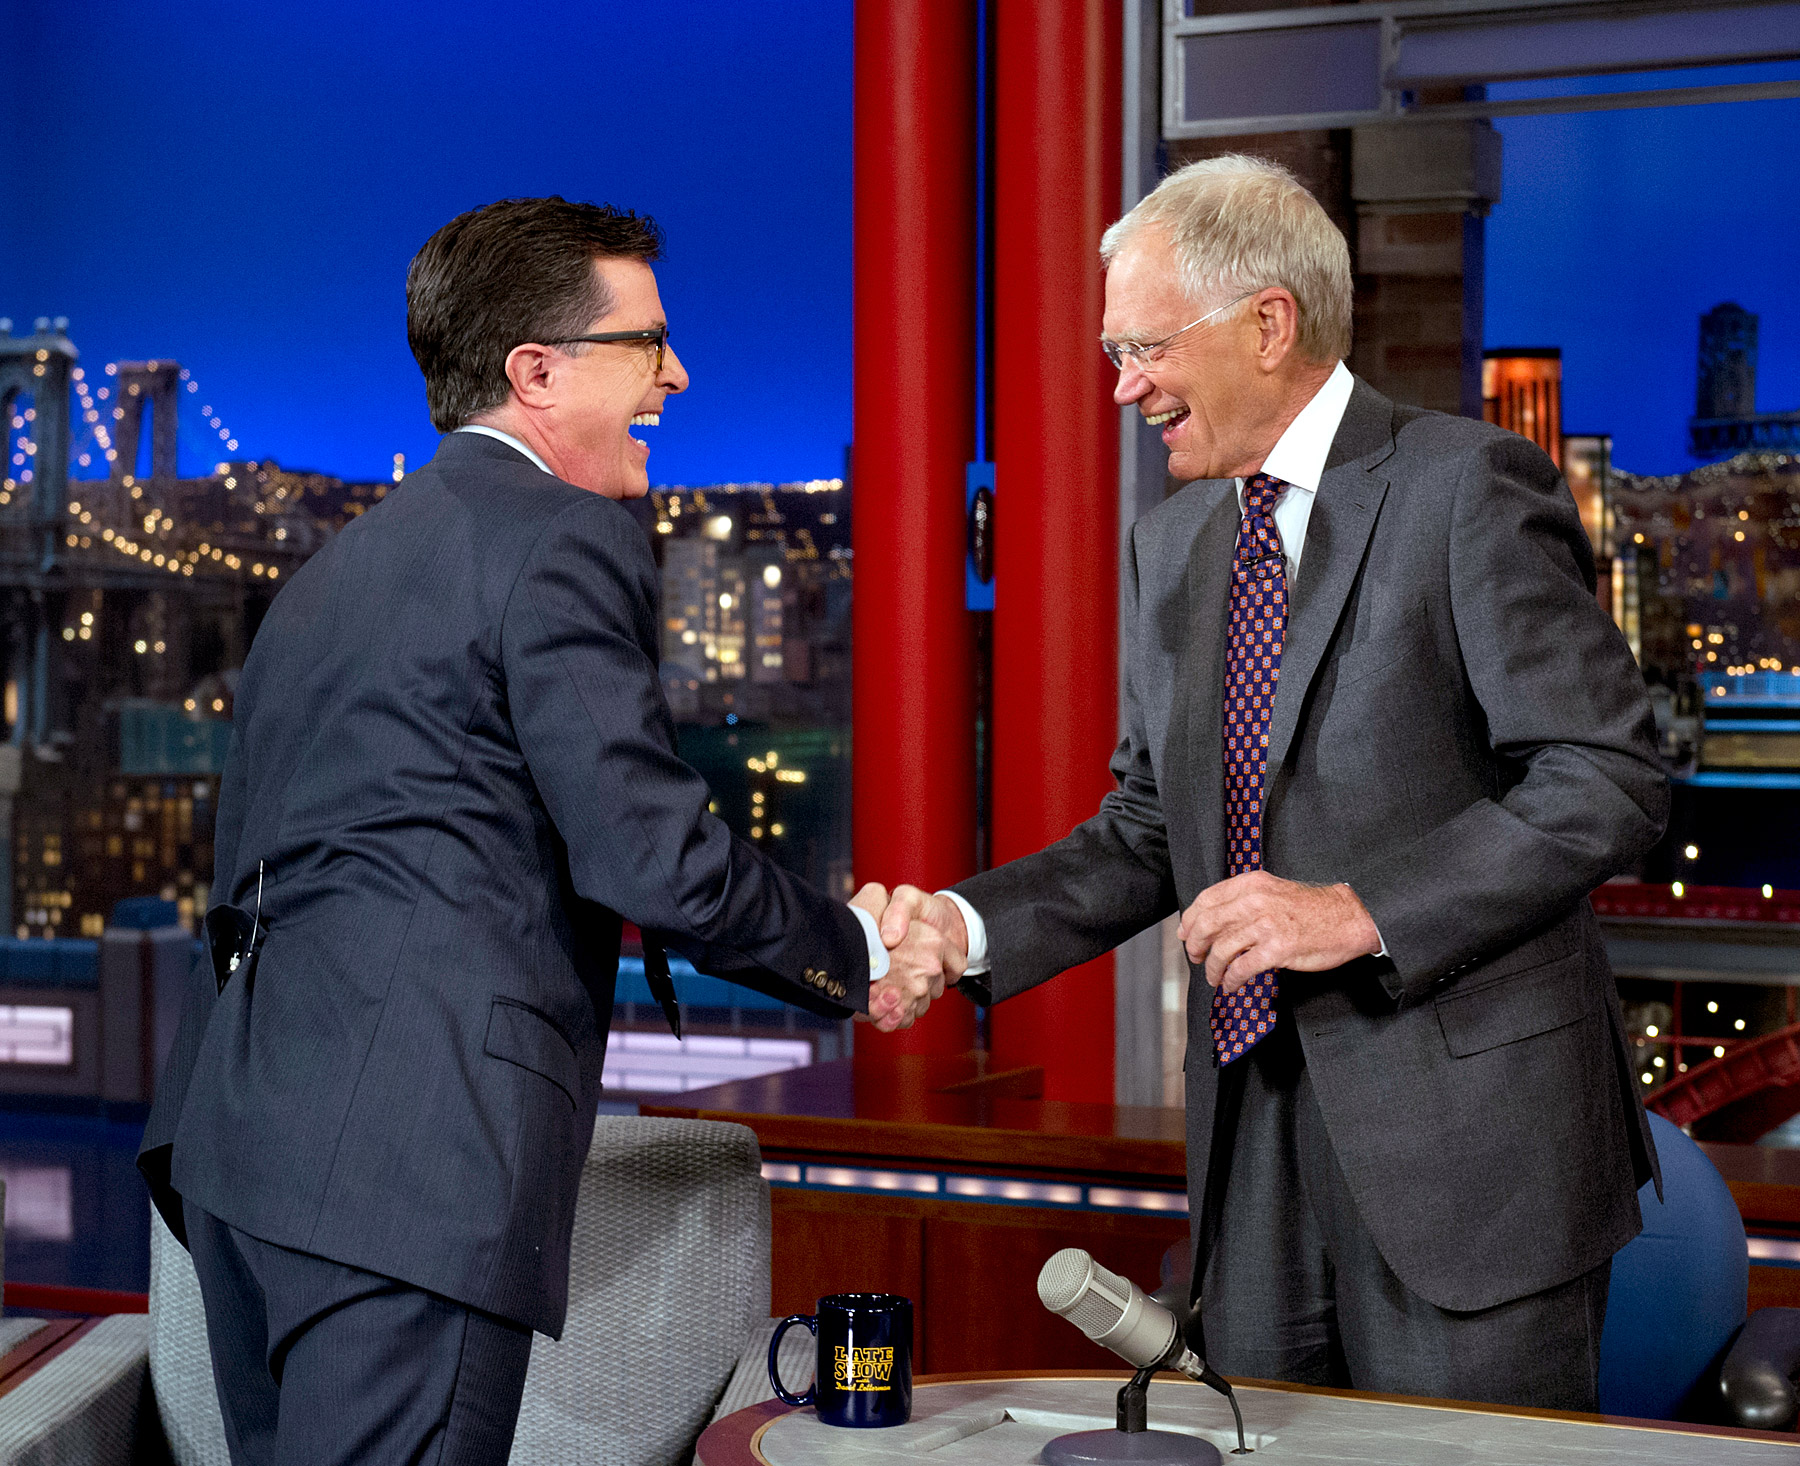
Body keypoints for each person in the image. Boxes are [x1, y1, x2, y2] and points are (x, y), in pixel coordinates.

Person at [138, 196, 961, 1465]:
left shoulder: (336, 568)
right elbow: (649, 854)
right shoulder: (562, 536)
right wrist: (853, 949)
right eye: (648, 343)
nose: (677, 376)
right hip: (408, 1176)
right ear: (537, 371)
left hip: (239, 1156)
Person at [878, 155, 1666, 1411]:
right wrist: (962, 926)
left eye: (1144, 347)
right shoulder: (1174, 541)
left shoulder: (1463, 485)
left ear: (1268, 322)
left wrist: (1360, 909)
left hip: (1472, 1155)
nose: (1123, 385)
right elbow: (1150, 825)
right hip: (1251, 1150)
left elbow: (1607, 775)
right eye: (1112, 351)